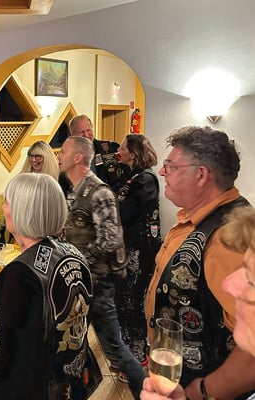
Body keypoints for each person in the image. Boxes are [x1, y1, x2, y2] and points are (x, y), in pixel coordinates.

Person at [144, 126, 255, 400]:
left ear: (201, 174)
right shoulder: (198, 218)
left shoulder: (227, 238)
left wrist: (204, 390)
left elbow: (252, 349)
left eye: (171, 166)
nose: (162, 172)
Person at [0, 173, 102, 400]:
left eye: (7, 202)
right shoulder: (74, 254)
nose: (3, 208)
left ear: (23, 211)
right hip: (70, 385)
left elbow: (15, 368)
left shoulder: (20, 276)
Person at [58, 135, 145, 399]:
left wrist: (78, 261)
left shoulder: (99, 192)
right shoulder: (75, 190)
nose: (58, 155)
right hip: (80, 286)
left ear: (77, 157)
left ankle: (145, 392)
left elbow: (111, 239)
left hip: (97, 285)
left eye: (63, 151)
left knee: (115, 351)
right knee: (74, 348)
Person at [141, 206, 255, 400]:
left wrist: (203, 390)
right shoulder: (194, 220)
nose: (228, 285)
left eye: (251, 280)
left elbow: (249, 355)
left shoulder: (219, 234)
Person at [115, 134, 162, 383]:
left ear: (133, 153)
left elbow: (125, 214)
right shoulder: (130, 176)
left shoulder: (146, 180)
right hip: (126, 250)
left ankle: (138, 356)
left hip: (139, 252)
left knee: (133, 303)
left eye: (123, 148)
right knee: (122, 301)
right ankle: (126, 352)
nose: (119, 151)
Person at [59, 115, 126, 194]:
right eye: (81, 132)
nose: (86, 134)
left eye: (88, 130)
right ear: (72, 134)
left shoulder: (108, 148)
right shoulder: (67, 156)